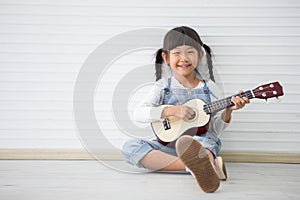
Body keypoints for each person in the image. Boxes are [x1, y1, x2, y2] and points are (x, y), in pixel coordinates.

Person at [121, 26, 250, 193]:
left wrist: (229, 111)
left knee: (207, 143)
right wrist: (170, 111)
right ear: (166, 57)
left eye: (190, 52)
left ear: (200, 55)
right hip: (168, 146)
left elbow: (215, 129)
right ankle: (203, 166)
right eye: (177, 53)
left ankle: (200, 163)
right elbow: (138, 113)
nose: (184, 58)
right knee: (130, 148)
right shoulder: (161, 87)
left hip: (200, 142)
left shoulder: (210, 88)